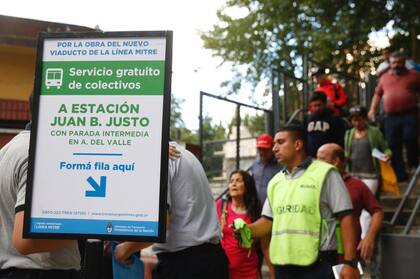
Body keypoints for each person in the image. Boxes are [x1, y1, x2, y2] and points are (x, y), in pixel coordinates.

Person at [245, 126, 360, 279]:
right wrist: (247, 230)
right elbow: (268, 220)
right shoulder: (275, 181)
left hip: (319, 264)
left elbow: (346, 217)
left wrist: (350, 262)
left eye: (280, 142)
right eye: (274, 144)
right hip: (283, 265)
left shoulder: (326, 173)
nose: (274, 148)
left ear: (298, 145)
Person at [115, 141, 228, 279]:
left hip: (185, 264)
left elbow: (161, 225)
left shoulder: (161, 157)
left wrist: (124, 249)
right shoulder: (185, 155)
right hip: (212, 258)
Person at [0, 93, 80, 279]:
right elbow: (27, 241)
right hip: (39, 271)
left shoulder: (9, 150)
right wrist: (90, 227)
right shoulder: (39, 154)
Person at [317, 143, 384, 263]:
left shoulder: (357, 185)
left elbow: (377, 212)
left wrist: (369, 237)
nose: (316, 163)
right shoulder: (312, 185)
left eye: (321, 159)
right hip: (320, 254)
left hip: (349, 255)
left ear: (336, 161)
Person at [368, 51, 420, 182]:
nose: (396, 65)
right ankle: (400, 174)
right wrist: (372, 110)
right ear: (390, 64)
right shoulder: (384, 77)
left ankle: (413, 164)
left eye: (399, 62)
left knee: (411, 137)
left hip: (410, 113)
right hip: (390, 116)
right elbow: (377, 94)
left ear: (404, 63)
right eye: (394, 63)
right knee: (392, 143)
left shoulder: (414, 75)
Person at [344, 106, 391, 237]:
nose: (357, 123)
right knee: (353, 205)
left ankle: (364, 238)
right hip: (353, 175)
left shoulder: (374, 132)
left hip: (370, 175)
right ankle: (354, 235)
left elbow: (386, 149)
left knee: (366, 207)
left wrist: (386, 155)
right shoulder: (348, 134)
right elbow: (347, 152)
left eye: (359, 120)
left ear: (365, 119)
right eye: (353, 120)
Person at [217, 170, 261, 279]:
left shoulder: (254, 211)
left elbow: (263, 244)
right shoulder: (220, 206)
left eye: (238, 180)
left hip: (249, 271)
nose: (234, 184)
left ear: (246, 186)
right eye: (231, 181)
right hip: (224, 271)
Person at [250, 134, 281, 279]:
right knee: (255, 251)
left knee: (268, 249)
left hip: (272, 215)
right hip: (256, 211)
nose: (262, 152)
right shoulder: (255, 165)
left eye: (265, 149)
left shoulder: (280, 166)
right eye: (259, 149)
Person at [302, 92, 345, 158]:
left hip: (329, 157)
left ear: (325, 104)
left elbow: (340, 138)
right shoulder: (307, 119)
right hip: (311, 156)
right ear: (311, 105)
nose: (317, 108)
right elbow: (303, 136)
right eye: (314, 105)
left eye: (319, 105)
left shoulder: (334, 118)